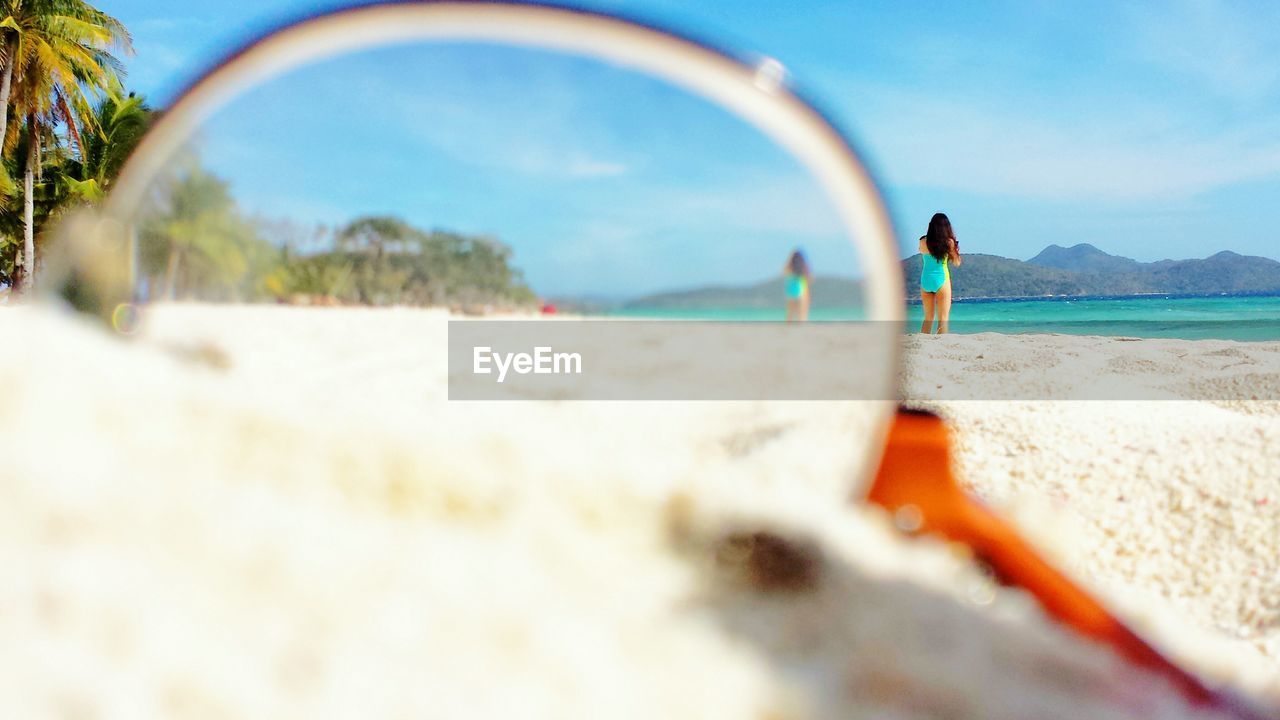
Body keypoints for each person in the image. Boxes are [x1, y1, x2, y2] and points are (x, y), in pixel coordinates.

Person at [919, 213, 962, 334]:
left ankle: (923, 342)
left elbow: (923, 251)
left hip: (926, 280)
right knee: (943, 319)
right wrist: (955, 249)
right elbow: (957, 262)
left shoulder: (923, 241)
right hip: (941, 279)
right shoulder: (949, 242)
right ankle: (941, 342)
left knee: (928, 318)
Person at [783, 249, 811, 322]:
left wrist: (790, 256)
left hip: (790, 291)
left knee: (790, 314)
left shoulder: (790, 268)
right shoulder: (803, 268)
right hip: (801, 291)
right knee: (802, 314)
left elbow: (784, 270)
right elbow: (809, 280)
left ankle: (789, 329)